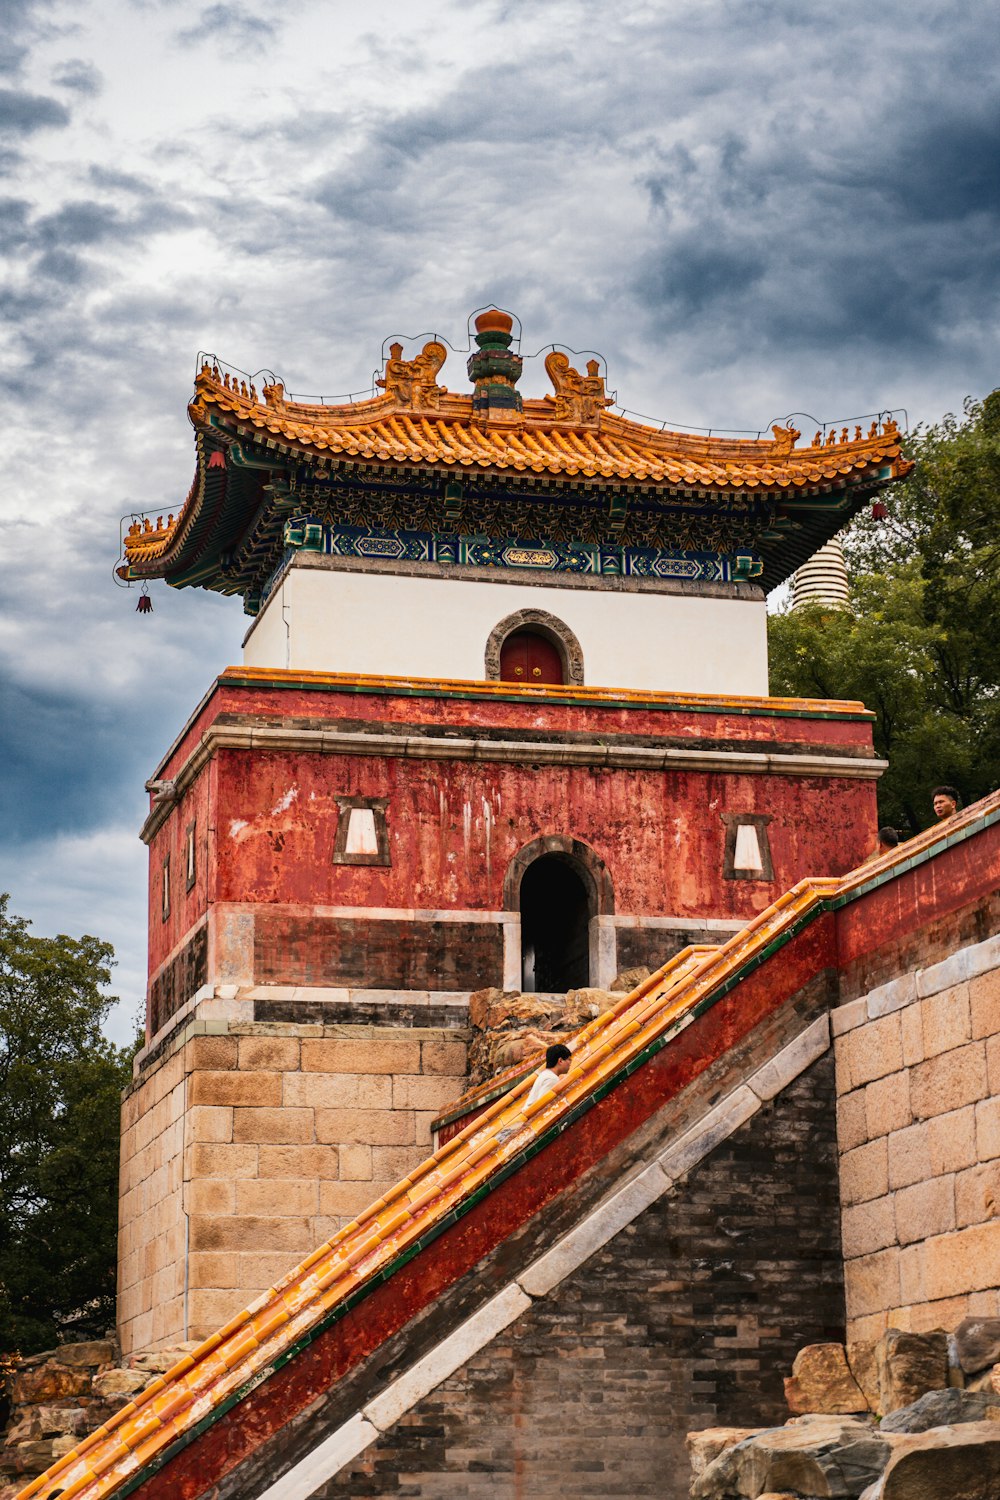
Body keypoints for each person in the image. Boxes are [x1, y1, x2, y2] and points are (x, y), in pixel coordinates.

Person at [525, 1043, 572, 1108]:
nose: (570, 1063)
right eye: (569, 1059)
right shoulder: (551, 1079)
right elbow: (542, 1106)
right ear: (560, 1061)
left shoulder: (545, 1074)